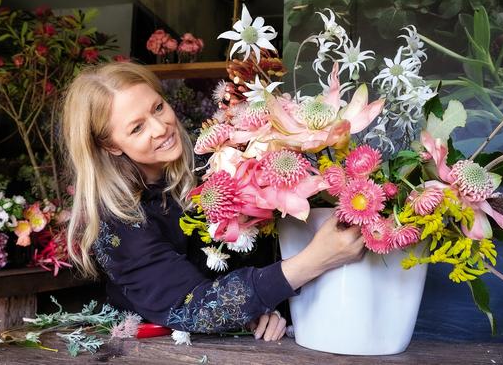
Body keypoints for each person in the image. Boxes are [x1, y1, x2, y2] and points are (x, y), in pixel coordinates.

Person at [62, 62, 365, 342]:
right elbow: (194, 304)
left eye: (158, 107)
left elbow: (251, 266)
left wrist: (255, 309)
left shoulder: (215, 159)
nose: (160, 128)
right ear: (111, 145)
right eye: (137, 127)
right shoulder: (118, 224)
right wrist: (317, 258)